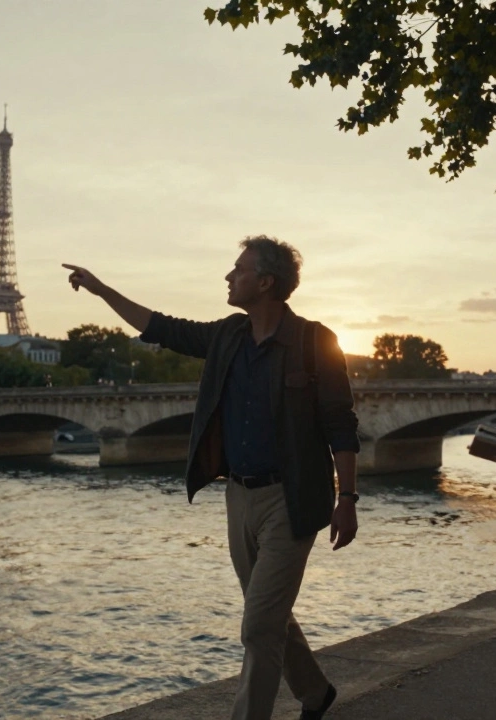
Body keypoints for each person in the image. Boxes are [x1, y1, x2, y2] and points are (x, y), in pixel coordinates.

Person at [62, 235, 359, 720]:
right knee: (271, 618)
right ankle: (315, 693)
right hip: (238, 496)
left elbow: (340, 423)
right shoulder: (227, 336)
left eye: (238, 269)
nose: (228, 276)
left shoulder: (315, 341)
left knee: (258, 625)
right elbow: (162, 327)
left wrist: (347, 497)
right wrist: (101, 290)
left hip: (293, 499)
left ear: (264, 282)